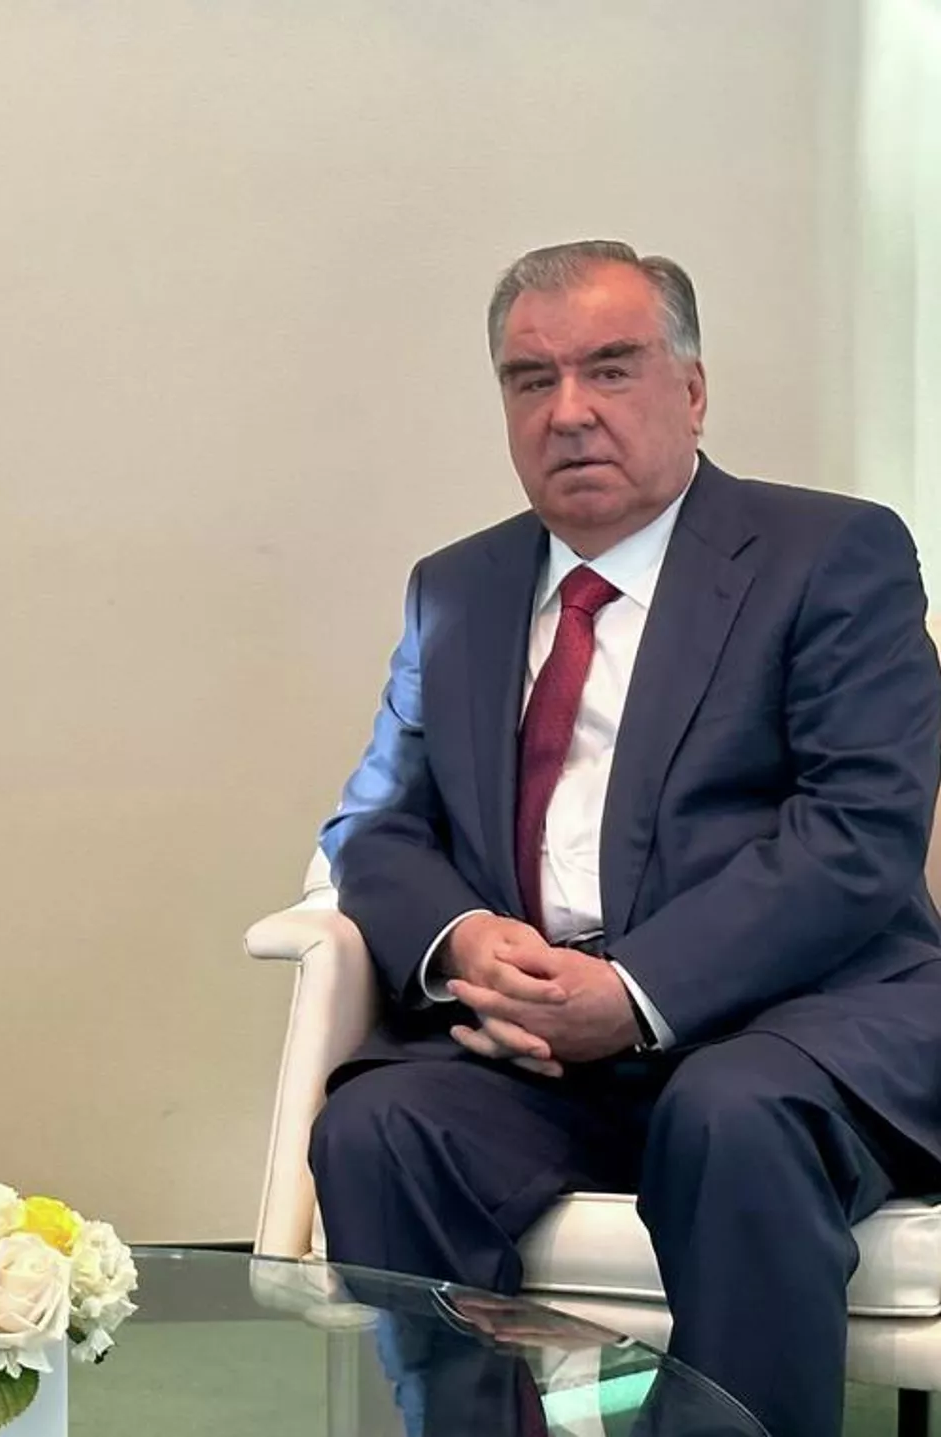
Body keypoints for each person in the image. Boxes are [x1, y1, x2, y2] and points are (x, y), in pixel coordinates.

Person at [308, 240, 941, 1437]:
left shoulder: (831, 555)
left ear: (690, 391)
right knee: (382, 1127)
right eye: (531, 379)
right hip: (545, 1052)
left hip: (798, 1024)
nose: (570, 411)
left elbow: (857, 833)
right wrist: (463, 941)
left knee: (730, 1113)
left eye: (610, 368)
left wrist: (635, 992)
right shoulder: (457, 589)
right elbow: (378, 822)